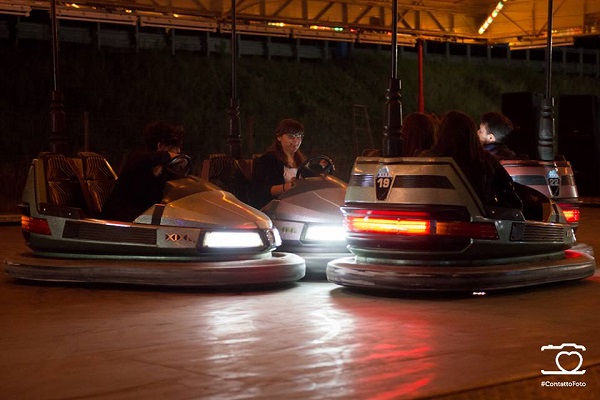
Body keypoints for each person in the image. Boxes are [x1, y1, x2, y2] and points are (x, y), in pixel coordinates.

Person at [421, 111, 522, 209]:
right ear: (470, 133)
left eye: (480, 130)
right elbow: (510, 197)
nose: (477, 132)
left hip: (432, 214)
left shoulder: (425, 159)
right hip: (475, 217)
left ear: (440, 132)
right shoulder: (486, 160)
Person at [101, 121, 185, 222]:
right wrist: (171, 156)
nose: (178, 151)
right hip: (119, 219)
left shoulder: (163, 172)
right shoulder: (137, 160)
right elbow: (159, 157)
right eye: (174, 147)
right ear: (160, 145)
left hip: (140, 219)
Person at [250, 118, 307, 209]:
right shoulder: (268, 160)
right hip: (277, 208)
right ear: (279, 137)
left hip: (301, 206)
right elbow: (259, 191)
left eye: (299, 137)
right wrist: (287, 187)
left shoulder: (302, 161)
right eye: (291, 137)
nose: (296, 141)